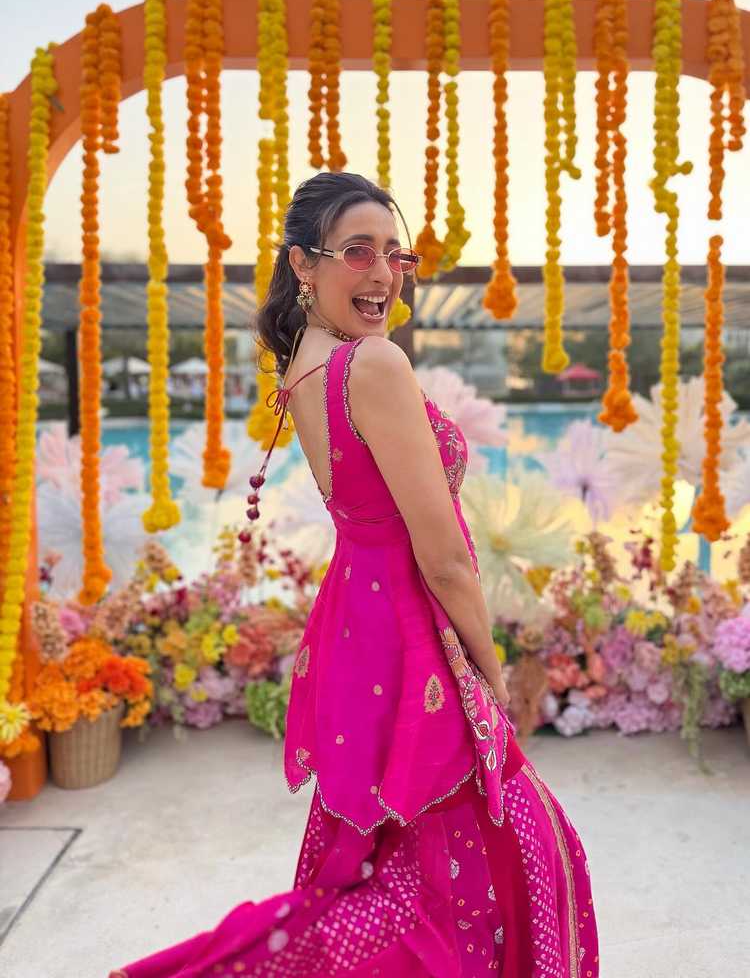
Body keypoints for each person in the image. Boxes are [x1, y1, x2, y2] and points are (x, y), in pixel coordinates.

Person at [109, 172, 599, 977]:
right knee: (505, 861)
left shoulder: (304, 364)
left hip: (358, 625)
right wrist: (490, 667)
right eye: (358, 253)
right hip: (411, 631)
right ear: (304, 264)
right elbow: (442, 556)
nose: (384, 275)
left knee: (394, 865)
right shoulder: (372, 363)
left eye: (394, 254)